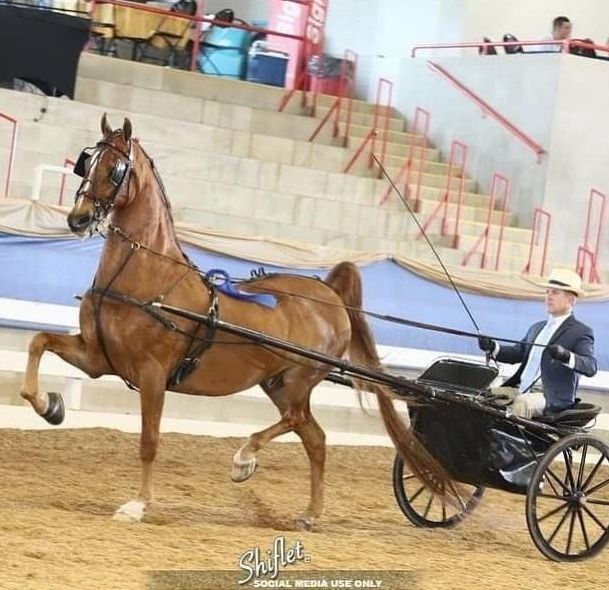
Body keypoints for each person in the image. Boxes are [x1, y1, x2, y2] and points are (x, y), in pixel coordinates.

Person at [478, 268, 597, 419]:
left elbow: (590, 366)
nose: (548, 296)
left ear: (571, 299)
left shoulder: (581, 332)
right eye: (547, 292)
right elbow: (517, 353)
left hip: (551, 397)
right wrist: (493, 347)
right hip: (521, 389)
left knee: (522, 403)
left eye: (554, 292)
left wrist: (566, 356)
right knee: (482, 396)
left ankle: (505, 442)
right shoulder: (537, 328)